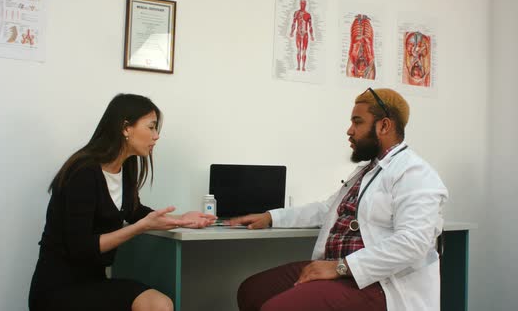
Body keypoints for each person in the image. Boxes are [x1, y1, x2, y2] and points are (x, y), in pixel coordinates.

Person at [230, 88, 448, 311]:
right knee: (252, 291)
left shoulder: (414, 173)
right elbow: (326, 211)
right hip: (339, 270)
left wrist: (341, 267)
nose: (349, 130)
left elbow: (413, 243)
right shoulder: (367, 172)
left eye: (357, 122)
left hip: (379, 283)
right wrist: (271, 217)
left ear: (384, 126)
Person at [28, 94, 217, 311]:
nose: (156, 136)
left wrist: (181, 220)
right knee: (158, 305)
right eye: (152, 127)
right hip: (58, 290)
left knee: (159, 303)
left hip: (93, 283)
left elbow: (135, 212)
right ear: (126, 128)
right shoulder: (83, 172)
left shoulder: (124, 168)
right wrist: (139, 229)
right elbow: (81, 248)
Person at [290, 0, 314, 71]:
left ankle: (303, 67)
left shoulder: (308, 15)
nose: (302, 5)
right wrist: (292, 32)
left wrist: (312, 35)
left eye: (304, 4)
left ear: (305, 5)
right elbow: (294, 23)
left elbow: (310, 26)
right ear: (300, 4)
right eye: (301, 3)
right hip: (298, 34)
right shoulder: (296, 13)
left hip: (305, 34)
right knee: (298, 50)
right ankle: (298, 66)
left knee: (304, 51)